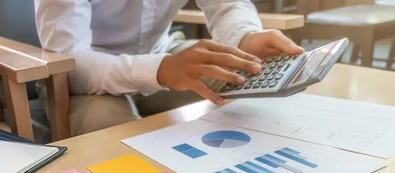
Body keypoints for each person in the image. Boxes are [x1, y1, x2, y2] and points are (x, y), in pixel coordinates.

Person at [35, 0, 305, 136]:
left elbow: (227, 5)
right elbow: (70, 62)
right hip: (82, 81)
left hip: (162, 53)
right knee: (112, 134)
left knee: (247, 82)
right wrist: (160, 70)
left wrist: (246, 36)